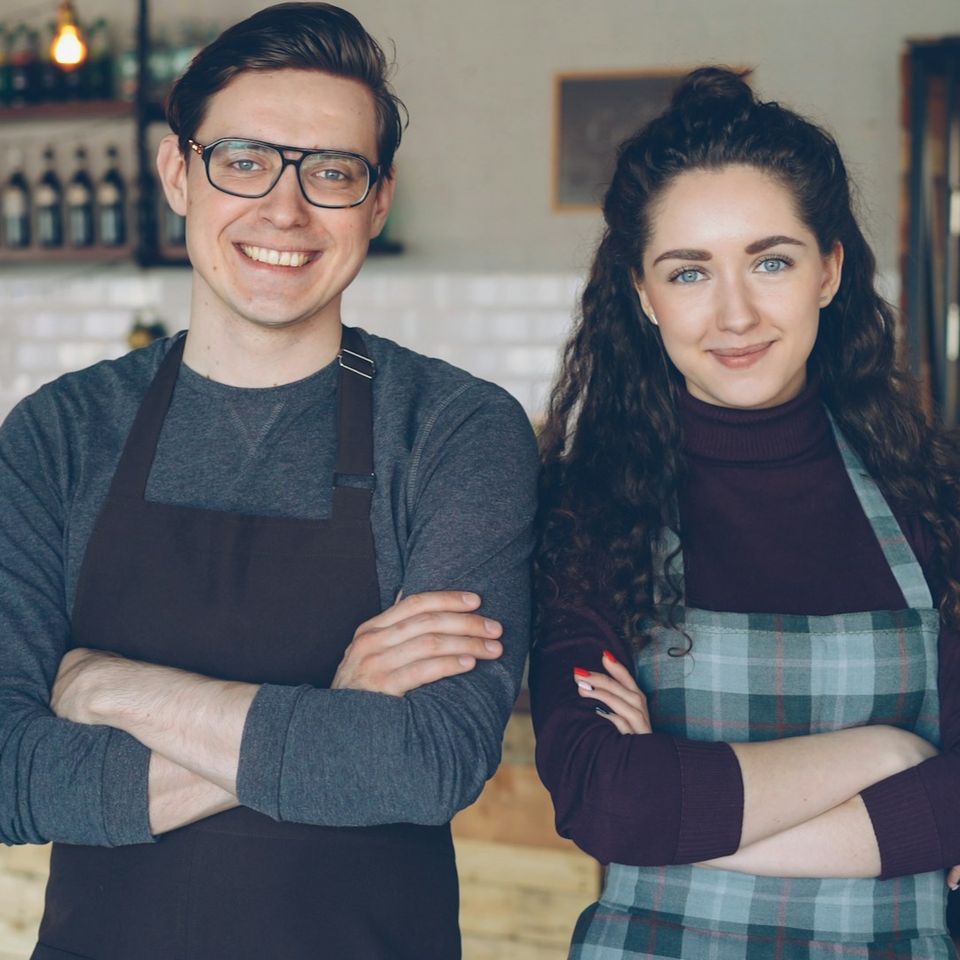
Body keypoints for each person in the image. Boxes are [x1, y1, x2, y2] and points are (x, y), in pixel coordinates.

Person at [0, 5, 536, 959]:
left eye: (331, 172)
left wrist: (110, 688)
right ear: (179, 174)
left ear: (377, 202)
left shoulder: (457, 430)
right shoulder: (57, 436)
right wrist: (334, 709)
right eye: (244, 161)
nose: (284, 210)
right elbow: (12, 777)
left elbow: (431, 763)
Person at [530, 67, 960, 959]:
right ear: (645, 296)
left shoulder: (938, 500)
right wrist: (887, 756)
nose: (735, 314)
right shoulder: (591, 512)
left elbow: (643, 817)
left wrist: (681, 820)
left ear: (830, 270)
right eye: (689, 272)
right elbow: (605, 800)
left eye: (771, 260)